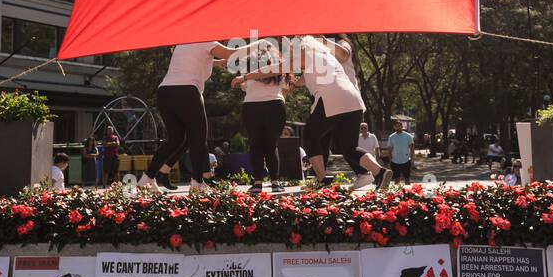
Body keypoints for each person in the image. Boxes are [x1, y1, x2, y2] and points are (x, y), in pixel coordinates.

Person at [241, 35, 392, 189]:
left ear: (302, 46)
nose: (290, 53)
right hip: (354, 101)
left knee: (310, 136)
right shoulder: (327, 56)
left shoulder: (306, 54)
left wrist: (246, 76)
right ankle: (380, 172)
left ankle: (322, 180)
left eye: (293, 49)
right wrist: (293, 85)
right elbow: (303, 80)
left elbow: (274, 69)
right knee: (349, 148)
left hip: (331, 98)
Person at [137, 41, 238, 192]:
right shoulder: (207, 40)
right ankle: (197, 182)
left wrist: (217, 63)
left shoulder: (185, 43)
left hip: (164, 92)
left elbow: (195, 59)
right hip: (186, 91)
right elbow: (230, 53)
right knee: (198, 137)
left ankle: (147, 179)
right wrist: (257, 45)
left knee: (176, 139)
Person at [232, 59, 289, 193]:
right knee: (271, 145)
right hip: (275, 105)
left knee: (255, 144)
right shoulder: (278, 67)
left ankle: (257, 183)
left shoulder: (248, 68)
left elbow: (243, 87)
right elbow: (286, 87)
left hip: (252, 106)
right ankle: (275, 183)